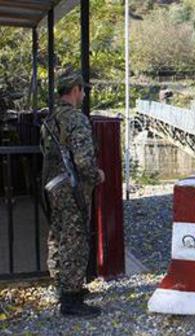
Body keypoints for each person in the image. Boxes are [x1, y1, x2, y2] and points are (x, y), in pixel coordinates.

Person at [41, 69, 105, 318]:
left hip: (52, 187)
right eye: (83, 90)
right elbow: (83, 160)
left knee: (57, 235)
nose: (84, 94)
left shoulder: (51, 119)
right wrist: (97, 175)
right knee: (75, 239)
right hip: (71, 188)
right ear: (76, 89)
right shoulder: (76, 119)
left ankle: (61, 285)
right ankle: (71, 298)